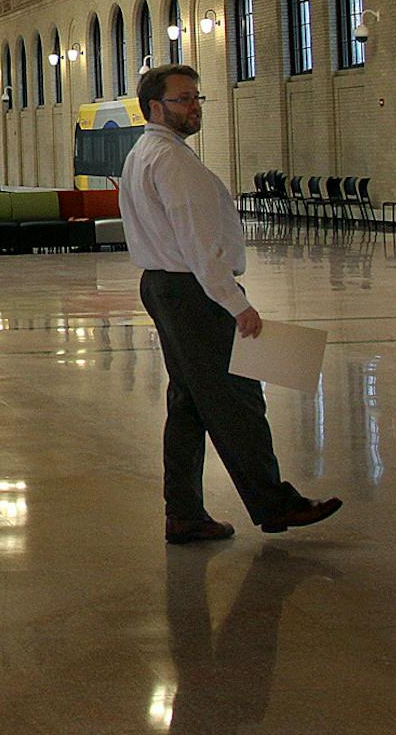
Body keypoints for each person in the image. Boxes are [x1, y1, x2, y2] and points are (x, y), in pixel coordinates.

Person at [119, 63, 341, 545]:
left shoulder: (144, 154)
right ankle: (274, 502)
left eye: (197, 97)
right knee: (238, 398)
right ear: (155, 107)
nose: (194, 106)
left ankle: (184, 512)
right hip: (192, 293)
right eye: (183, 99)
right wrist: (235, 302)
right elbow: (199, 244)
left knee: (190, 403)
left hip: (164, 285)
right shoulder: (172, 161)